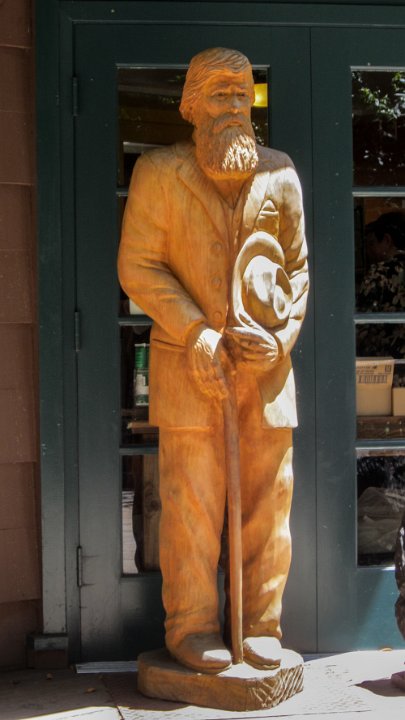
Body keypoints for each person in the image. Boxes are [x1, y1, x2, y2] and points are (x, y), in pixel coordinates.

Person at [118, 47, 309, 674]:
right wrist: (195, 329)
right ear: (190, 106)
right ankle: (192, 628)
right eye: (219, 94)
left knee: (268, 505)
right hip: (190, 367)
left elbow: (298, 270)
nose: (232, 106)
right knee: (190, 506)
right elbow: (138, 265)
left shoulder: (280, 174)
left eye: (241, 94)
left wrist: (280, 339)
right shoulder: (158, 172)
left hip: (266, 373)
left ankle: (260, 626)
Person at [356, 211, 405, 358]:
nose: (368, 251)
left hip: (388, 364)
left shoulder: (379, 273)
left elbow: (361, 327)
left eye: (372, 243)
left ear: (387, 240)